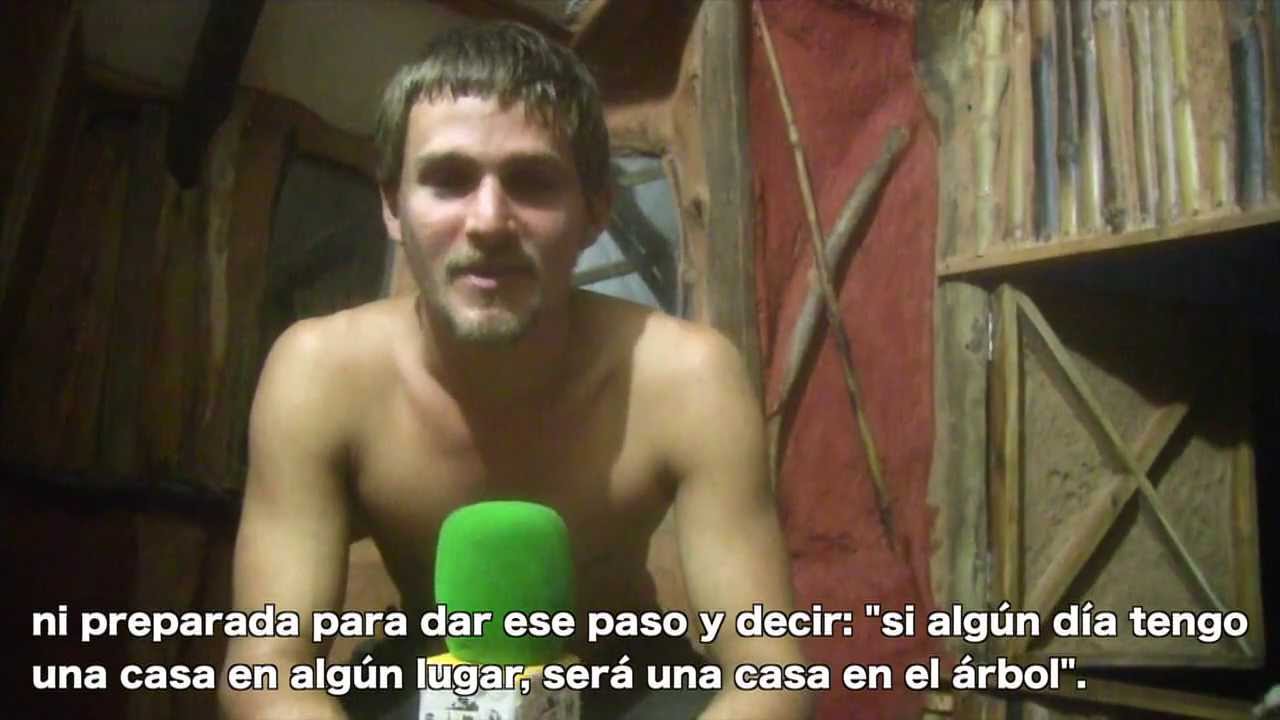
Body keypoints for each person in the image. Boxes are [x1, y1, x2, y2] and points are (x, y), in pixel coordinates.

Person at [219, 21, 811, 720]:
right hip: (430, 675)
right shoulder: (319, 373)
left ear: (596, 210)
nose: (489, 221)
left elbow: (771, 676)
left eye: (531, 182)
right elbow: (266, 673)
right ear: (392, 205)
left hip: (626, 683)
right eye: (448, 180)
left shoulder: (687, 377)